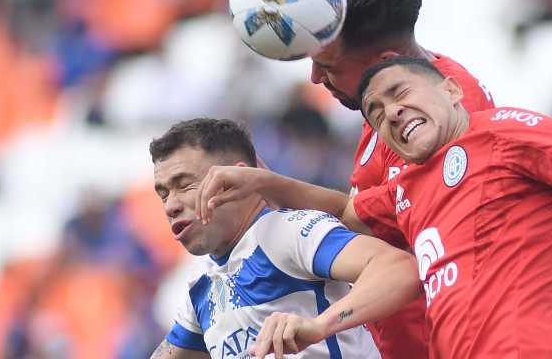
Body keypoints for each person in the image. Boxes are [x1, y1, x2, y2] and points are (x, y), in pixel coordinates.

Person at [196, 58, 552, 358]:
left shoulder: (503, 133)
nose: (391, 113)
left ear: (450, 89)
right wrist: (262, 181)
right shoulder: (410, 188)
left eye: (400, 93)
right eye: (377, 114)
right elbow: (348, 211)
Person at [307, 0, 495, 359]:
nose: (315, 78)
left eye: (326, 66)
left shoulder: (436, 116)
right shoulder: (393, 97)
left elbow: (399, 239)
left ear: (383, 61)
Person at [147, 118, 420, 359]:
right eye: (163, 194)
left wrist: (320, 326)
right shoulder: (202, 287)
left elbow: (399, 268)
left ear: (234, 179)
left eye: (184, 185)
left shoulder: (283, 232)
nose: (171, 206)